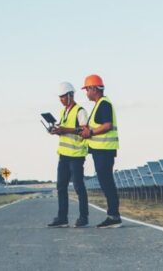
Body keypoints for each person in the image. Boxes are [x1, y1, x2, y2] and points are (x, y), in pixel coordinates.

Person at [80, 74, 122, 228]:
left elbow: (107, 125)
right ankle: (113, 215)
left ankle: (114, 216)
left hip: (104, 150)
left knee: (107, 183)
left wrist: (90, 133)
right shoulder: (100, 104)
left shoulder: (104, 104)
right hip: (101, 151)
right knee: (106, 183)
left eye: (87, 89)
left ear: (93, 88)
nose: (86, 93)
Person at [47, 82, 89, 228]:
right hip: (64, 155)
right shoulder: (63, 112)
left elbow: (84, 130)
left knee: (78, 186)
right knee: (61, 187)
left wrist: (64, 130)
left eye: (64, 97)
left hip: (77, 155)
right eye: (60, 97)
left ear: (71, 95)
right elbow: (64, 130)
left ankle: (84, 217)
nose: (61, 100)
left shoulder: (80, 111)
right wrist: (56, 130)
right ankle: (62, 218)